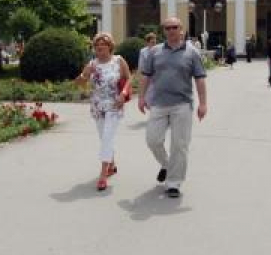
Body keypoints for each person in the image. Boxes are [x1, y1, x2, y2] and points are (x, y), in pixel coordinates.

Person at [138, 17, 207, 198]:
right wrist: (141, 97)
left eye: (174, 27)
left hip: (182, 104)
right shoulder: (155, 52)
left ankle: (174, 183)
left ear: (181, 29)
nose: (171, 30)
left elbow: (200, 78)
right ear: (164, 31)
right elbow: (145, 75)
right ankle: (167, 165)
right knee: (152, 140)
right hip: (158, 104)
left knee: (180, 145)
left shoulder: (192, 53)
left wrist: (203, 103)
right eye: (167, 28)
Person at [76, 32, 132, 191]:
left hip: (114, 104)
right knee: (104, 138)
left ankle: (102, 174)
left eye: (103, 47)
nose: (100, 51)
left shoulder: (118, 61)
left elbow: (129, 78)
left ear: (110, 47)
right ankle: (112, 164)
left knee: (107, 136)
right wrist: (83, 74)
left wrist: (123, 93)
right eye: (97, 48)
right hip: (97, 106)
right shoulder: (92, 64)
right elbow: (79, 83)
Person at [138, 33, 158, 107]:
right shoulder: (143, 51)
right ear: (147, 42)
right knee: (149, 96)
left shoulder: (159, 50)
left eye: (155, 42)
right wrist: (141, 74)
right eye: (152, 42)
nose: (154, 44)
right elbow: (141, 64)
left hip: (157, 76)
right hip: (147, 76)